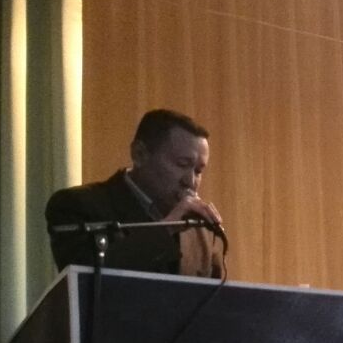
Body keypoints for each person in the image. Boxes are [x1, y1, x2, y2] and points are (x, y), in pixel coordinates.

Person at [46, 109, 224, 277]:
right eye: (182, 164)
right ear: (139, 154)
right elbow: (86, 278)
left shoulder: (200, 230)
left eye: (198, 171)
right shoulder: (77, 205)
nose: (191, 181)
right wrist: (166, 229)